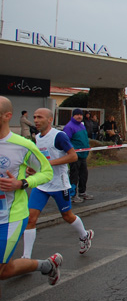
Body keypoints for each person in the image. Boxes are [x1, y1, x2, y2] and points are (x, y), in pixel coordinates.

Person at [0, 96, 62, 292]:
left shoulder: (22, 145)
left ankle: (45, 265)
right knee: (3, 270)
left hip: (9, 217)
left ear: (7, 116)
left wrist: (22, 183)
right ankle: (46, 265)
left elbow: (47, 172)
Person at [22, 108, 94, 259]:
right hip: (42, 185)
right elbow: (42, 159)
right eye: (34, 117)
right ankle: (26, 258)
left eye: (39, 117)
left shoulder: (58, 136)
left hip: (59, 184)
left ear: (49, 119)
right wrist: (34, 168)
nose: (35, 120)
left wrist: (48, 164)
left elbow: (73, 156)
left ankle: (84, 235)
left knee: (67, 216)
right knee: (30, 218)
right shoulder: (38, 137)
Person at [63, 109, 93, 203]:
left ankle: (82, 192)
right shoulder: (69, 127)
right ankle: (72, 195)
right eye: (77, 115)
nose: (79, 116)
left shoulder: (81, 125)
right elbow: (66, 141)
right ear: (73, 116)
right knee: (74, 175)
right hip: (74, 156)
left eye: (80, 115)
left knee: (84, 174)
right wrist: (71, 152)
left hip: (83, 155)